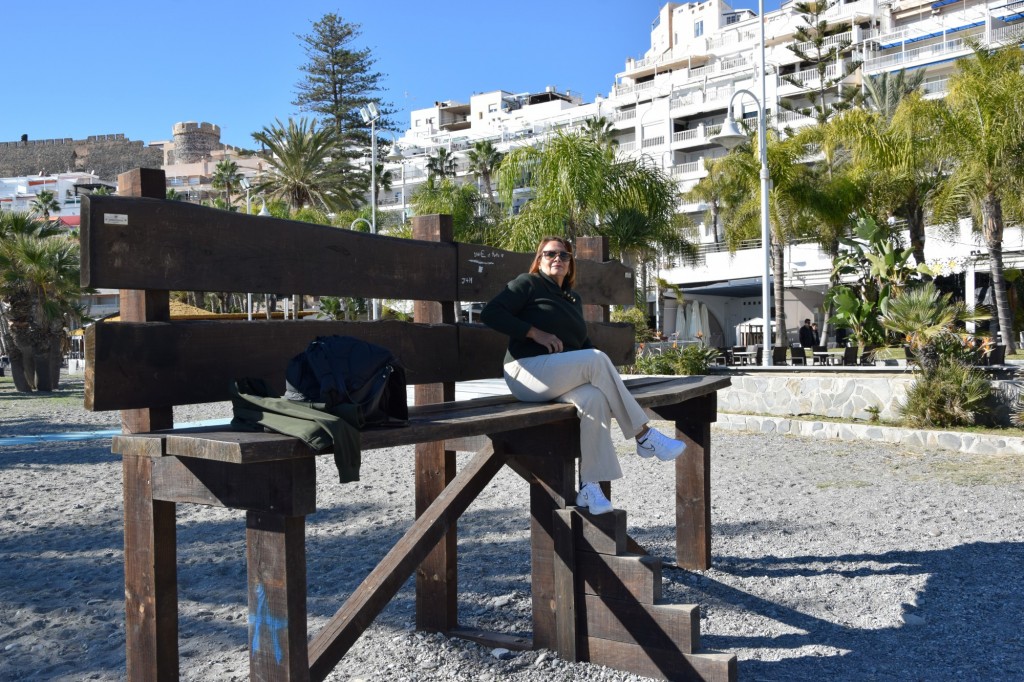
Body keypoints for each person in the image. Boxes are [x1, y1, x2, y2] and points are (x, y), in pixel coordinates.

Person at [480, 236, 686, 515]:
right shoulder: (528, 283)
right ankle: (643, 434)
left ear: (570, 264)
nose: (557, 259)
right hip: (525, 372)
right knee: (596, 359)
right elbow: (490, 313)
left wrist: (601, 373)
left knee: (594, 398)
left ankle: (589, 486)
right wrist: (533, 332)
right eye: (550, 254)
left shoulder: (572, 298)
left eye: (564, 255)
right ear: (539, 259)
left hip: (556, 376)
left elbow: (582, 346)